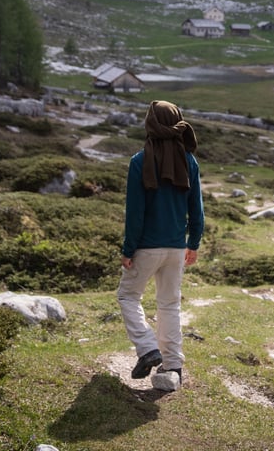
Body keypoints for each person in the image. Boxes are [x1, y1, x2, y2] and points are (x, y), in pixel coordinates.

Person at [117, 100, 204, 387]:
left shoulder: (140, 161)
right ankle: (173, 366)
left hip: (146, 247)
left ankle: (147, 348)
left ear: (151, 124)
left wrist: (128, 249)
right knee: (169, 305)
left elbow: (136, 213)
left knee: (128, 296)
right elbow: (197, 208)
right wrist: (194, 242)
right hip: (177, 248)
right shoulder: (189, 161)